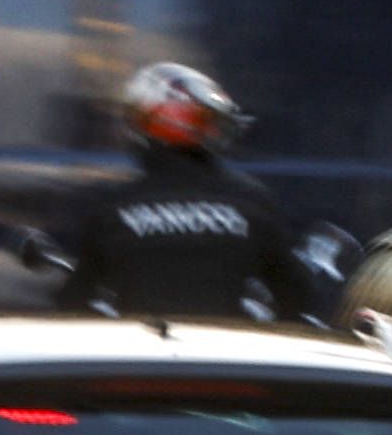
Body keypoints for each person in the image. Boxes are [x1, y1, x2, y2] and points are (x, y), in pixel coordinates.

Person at [62, 62, 341, 325]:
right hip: (224, 366)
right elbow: (295, 299)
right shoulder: (250, 202)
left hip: (138, 367)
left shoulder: (113, 207)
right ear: (214, 129)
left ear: (139, 129)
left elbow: (73, 305)